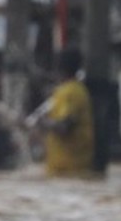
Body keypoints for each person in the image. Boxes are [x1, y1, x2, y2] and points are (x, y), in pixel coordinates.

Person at [34, 47, 99, 178]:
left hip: (70, 169)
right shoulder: (72, 90)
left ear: (59, 68)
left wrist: (41, 122)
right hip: (64, 168)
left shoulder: (70, 92)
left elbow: (64, 127)